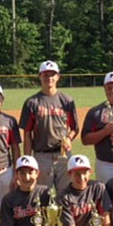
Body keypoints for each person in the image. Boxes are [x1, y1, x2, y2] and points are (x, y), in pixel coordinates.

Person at [19, 61, 79, 193]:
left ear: (58, 77)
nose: (49, 78)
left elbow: (75, 128)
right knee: (40, 194)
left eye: (52, 74)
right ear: (40, 76)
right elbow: (27, 133)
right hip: (41, 155)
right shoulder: (32, 102)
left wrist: (69, 138)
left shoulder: (67, 101)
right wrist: (28, 160)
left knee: (66, 194)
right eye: (45, 75)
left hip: (62, 155)